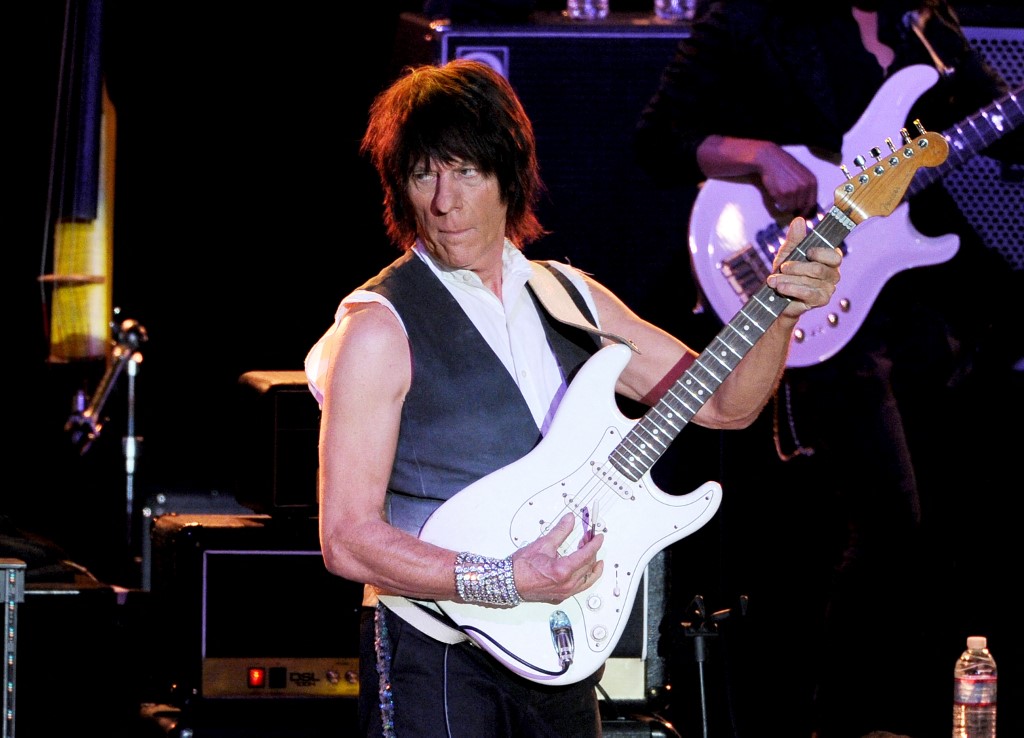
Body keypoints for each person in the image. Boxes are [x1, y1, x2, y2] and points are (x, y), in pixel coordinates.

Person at [304, 58, 841, 738]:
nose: (444, 201)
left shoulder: (571, 297)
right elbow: (346, 540)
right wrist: (504, 578)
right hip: (436, 655)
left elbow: (726, 405)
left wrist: (781, 312)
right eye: (422, 175)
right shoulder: (379, 326)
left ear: (509, 175)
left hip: (556, 649)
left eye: (466, 171)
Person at [634, 2, 1024, 737]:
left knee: (942, 523)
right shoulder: (751, 15)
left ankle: (901, 712)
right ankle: (832, 718)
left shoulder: (924, 22)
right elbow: (659, 141)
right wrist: (760, 155)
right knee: (880, 523)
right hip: (806, 296)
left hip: (910, 302)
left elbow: (996, 119)